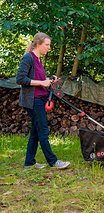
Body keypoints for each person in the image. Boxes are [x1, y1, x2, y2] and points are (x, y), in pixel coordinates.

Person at [16, 32, 70, 169]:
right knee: (43, 130)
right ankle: (53, 161)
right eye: (47, 45)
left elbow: (40, 79)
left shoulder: (39, 59)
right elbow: (20, 79)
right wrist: (41, 83)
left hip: (40, 98)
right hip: (32, 101)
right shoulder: (28, 58)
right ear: (39, 44)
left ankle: (29, 162)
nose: (49, 48)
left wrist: (49, 80)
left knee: (35, 131)